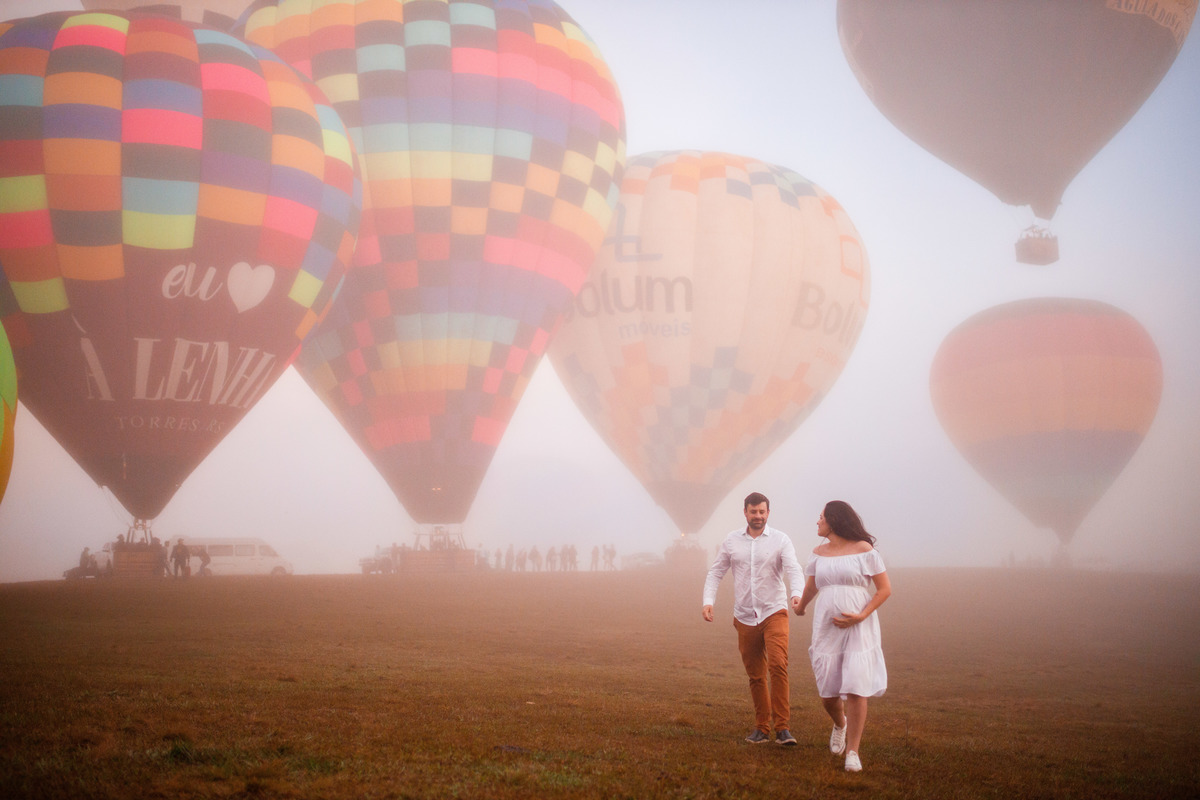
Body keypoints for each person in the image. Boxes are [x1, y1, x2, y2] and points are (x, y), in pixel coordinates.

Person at [795, 500, 892, 772]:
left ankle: (853, 752)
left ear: (834, 521)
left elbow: (884, 589)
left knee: (856, 686)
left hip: (859, 625)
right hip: (827, 627)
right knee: (828, 693)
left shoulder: (864, 550)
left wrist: (861, 616)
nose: (817, 521)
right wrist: (800, 607)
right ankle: (840, 724)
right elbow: (812, 587)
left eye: (821, 517)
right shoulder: (818, 553)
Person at [703, 492, 805, 746]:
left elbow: (793, 568)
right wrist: (708, 601)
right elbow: (716, 572)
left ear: (768, 513)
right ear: (745, 513)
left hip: (774, 611)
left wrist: (796, 594)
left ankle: (783, 729)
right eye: (753, 512)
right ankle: (762, 728)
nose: (758, 516)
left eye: (762, 512)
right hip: (745, 615)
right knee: (756, 675)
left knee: (778, 665)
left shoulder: (781, 540)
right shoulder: (731, 540)